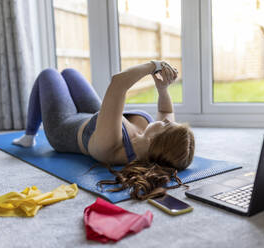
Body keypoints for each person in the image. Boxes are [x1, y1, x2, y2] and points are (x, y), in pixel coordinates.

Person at [13, 61, 195, 200]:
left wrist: (153, 65)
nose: (164, 121)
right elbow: (166, 111)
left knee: (49, 74)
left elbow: (118, 83)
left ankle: (29, 135)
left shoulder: (112, 148)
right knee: (69, 73)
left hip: (63, 127)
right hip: (94, 115)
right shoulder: (152, 142)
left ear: (154, 140)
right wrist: (162, 89)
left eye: (166, 125)